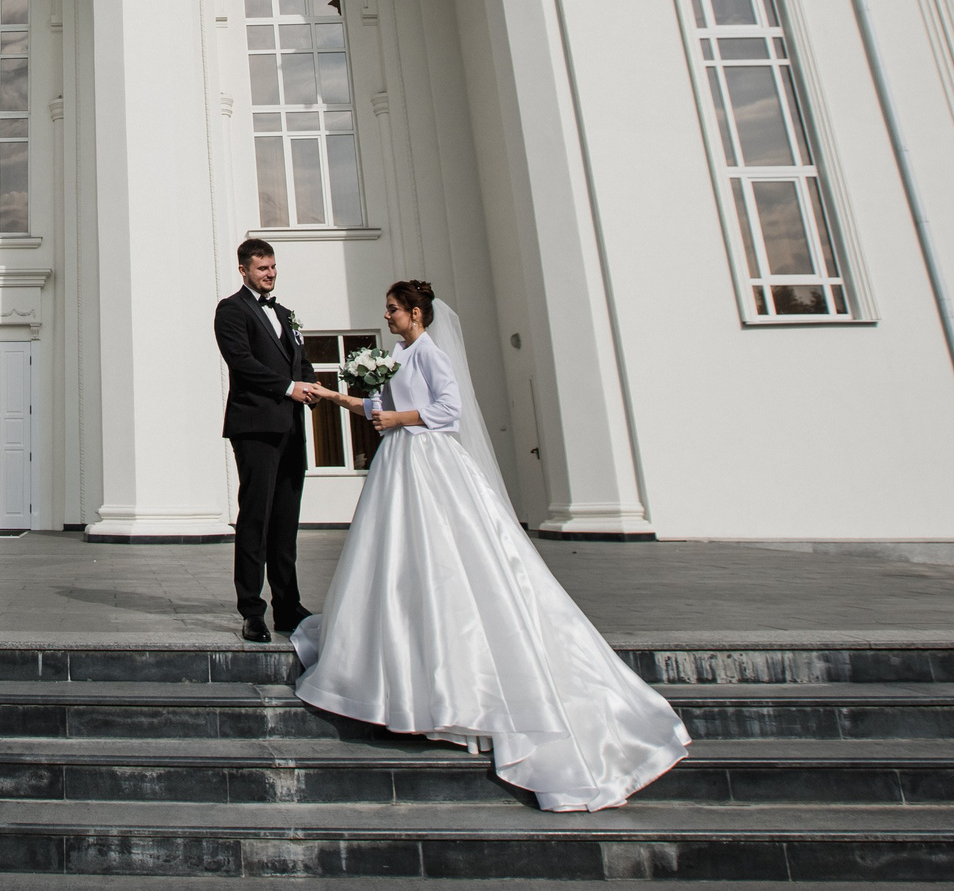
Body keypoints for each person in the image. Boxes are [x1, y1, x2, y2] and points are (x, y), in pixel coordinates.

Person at [293, 278, 690, 812]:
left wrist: (399, 418)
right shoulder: (401, 354)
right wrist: (337, 395)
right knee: (393, 567)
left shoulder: (430, 353)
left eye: (393, 310)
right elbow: (378, 408)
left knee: (443, 565)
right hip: (399, 465)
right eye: (386, 310)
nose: (386, 316)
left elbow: (447, 410)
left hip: (429, 464)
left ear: (416, 313)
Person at [211, 237, 322, 643]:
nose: (270, 274)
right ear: (244, 270)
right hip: (255, 427)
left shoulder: (286, 314)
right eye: (262, 268)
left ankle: (288, 607)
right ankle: (252, 611)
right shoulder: (231, 310)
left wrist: (311, 387)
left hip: (292, 427)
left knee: (285, 521)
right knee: (255, 519)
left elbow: (301, 362)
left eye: (272, 267)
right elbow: (242, 362)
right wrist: (288, 388)